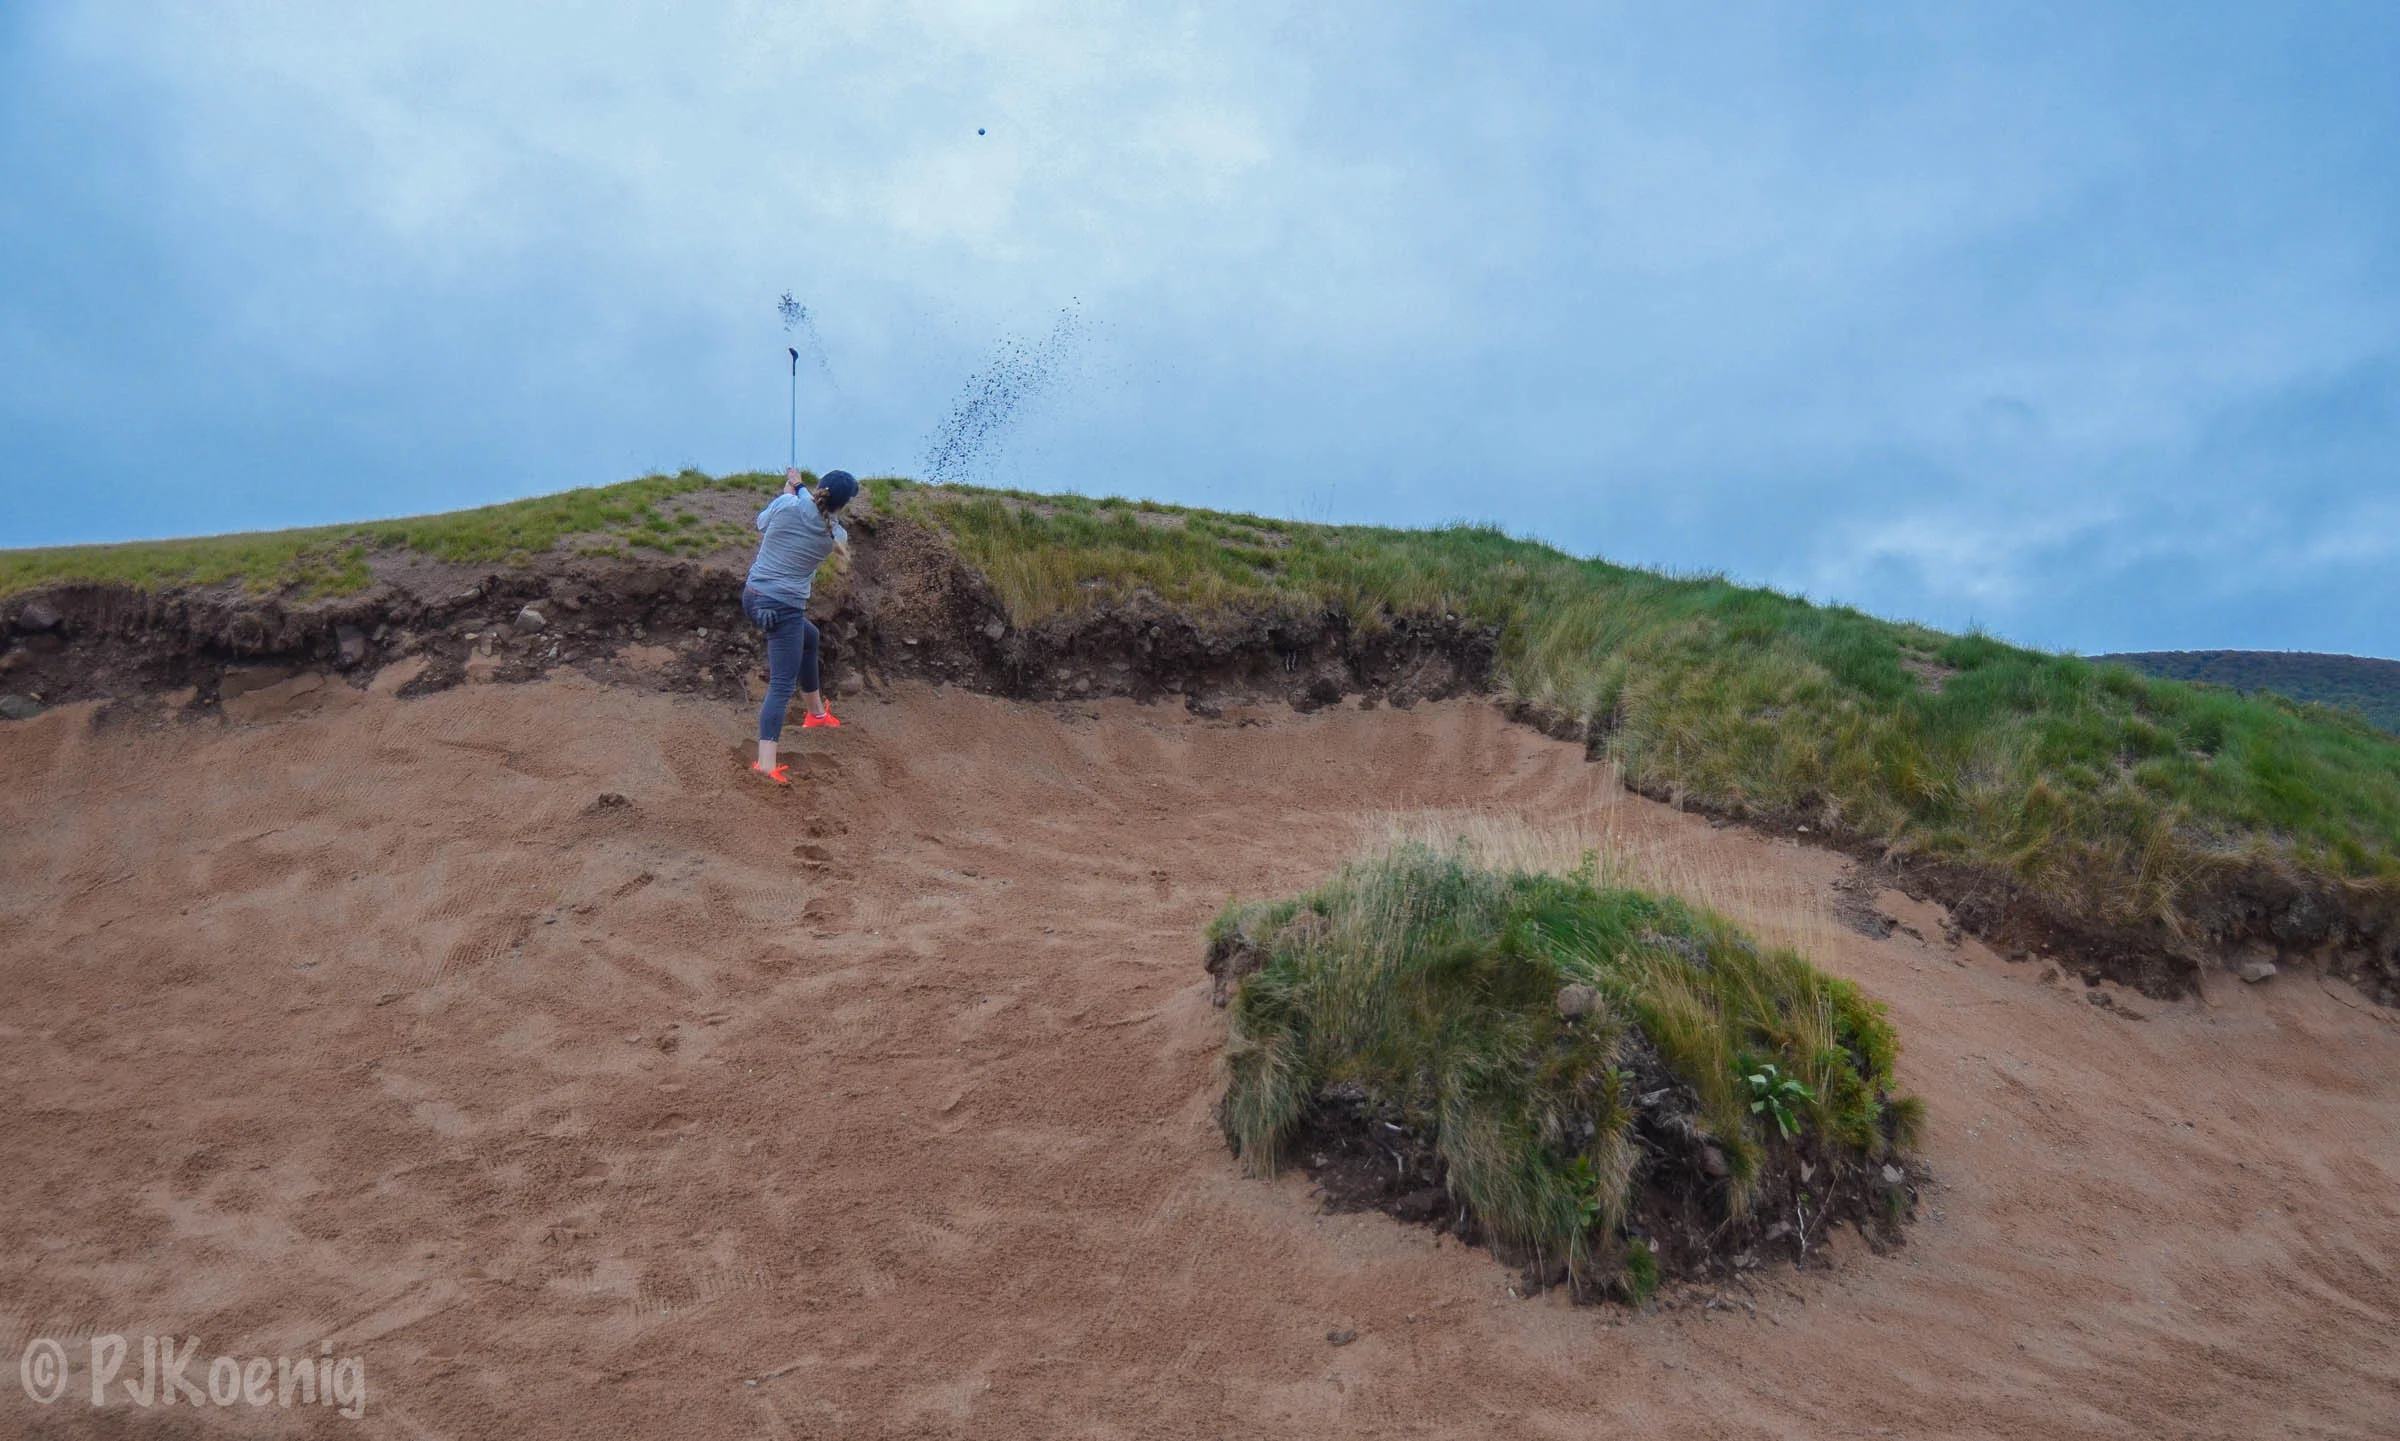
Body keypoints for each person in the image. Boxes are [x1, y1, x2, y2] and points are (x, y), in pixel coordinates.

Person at [743, 467, 857, 785]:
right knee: (781, 685)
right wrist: (800, 488)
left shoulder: (786, 505)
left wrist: (790, 490)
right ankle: (766, 764)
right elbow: (815, 513)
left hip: (753, 597)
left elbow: (762, 522)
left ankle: (816, 714)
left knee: (811, 637)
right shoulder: (836, 537)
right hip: (783, 609)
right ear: (842, 505)